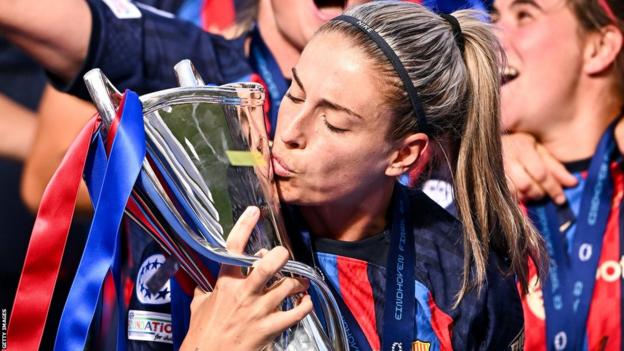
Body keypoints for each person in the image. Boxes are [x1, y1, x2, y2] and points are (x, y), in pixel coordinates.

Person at [178, 2, 545, 350]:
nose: (290, 132)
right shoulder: (209, 232)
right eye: (295, 93)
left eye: (334, 123)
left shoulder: (465, 278)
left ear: (402, 155)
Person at [493, 0, 624, 349]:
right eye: (494, 16)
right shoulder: (476, 194)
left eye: (524, 15)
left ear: (598, 47)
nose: (493, 36)